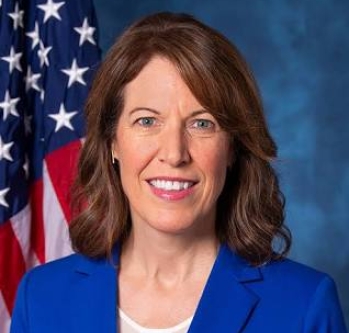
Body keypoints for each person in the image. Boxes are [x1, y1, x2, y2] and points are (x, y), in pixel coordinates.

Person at [11, 12, 347, 333]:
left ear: (232, 147)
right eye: (147, 121)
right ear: (113, 141)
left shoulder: (304, 305)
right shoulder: (41, 299)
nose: (174, 154)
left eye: (202, 124)